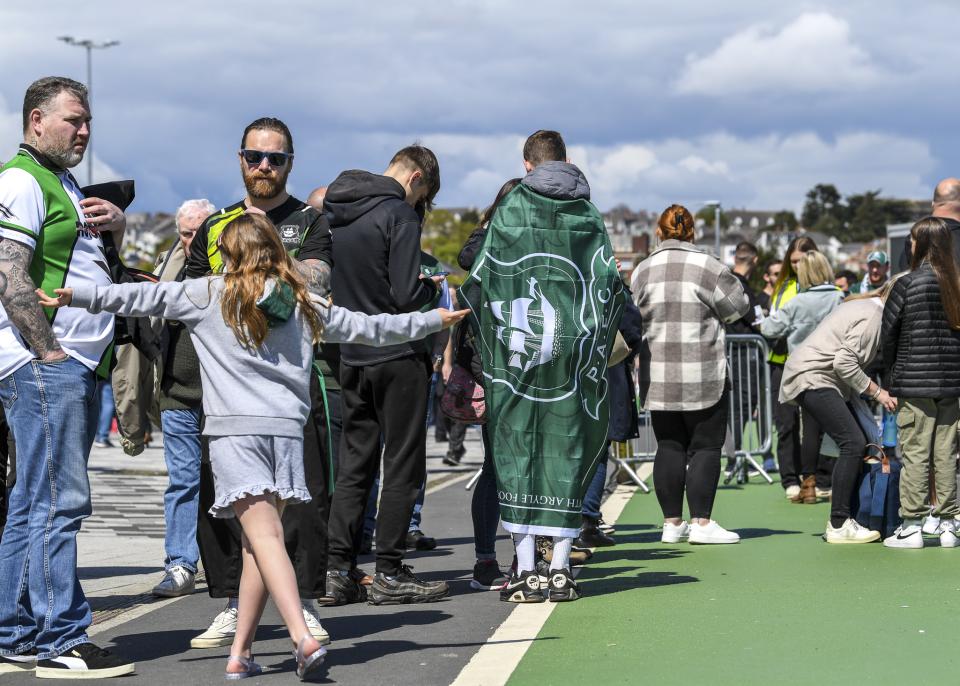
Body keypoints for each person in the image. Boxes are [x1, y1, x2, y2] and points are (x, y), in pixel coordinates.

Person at [39, 212, 468, 680]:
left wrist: (75, 294)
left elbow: (138, 296)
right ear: (276, 252)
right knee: (254, 547)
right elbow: (370, 328)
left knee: (263, 539)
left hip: (234, 436)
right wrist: (432, 320)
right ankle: (240, 654)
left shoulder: (205, 294)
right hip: (286, 434)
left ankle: (301, 640)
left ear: (226, 254)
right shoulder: (304, 301)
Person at [0, 76, 134, 678]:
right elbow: (9, 273)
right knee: (59, 502)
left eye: (88, 123)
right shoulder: (22, 179)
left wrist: (117, 231)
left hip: (67, 364)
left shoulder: (61, 181)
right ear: (35, 121)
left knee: (32, 502)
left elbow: (84, 265)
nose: (83, 132)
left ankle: (16, 630)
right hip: (45, 365)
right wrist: (49, 349)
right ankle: (60, 639)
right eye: (72, 121)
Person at [184, 117, 335, 648]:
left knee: (299, 500)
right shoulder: (214, 225)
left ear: (290, 163)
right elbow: (193, 292)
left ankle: (306, 602)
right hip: (225, 386)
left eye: (275, 158)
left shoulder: (310, 220)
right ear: (240, 160)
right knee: (229, 500)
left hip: (289, 386)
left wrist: (257, 254)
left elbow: (317, 279)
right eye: (254, 156)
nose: (264, 166)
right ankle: (232, 605)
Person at [460, 130, 623, 603]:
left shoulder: (512, 209)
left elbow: (483, 275)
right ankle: (560, 568)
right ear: (567, 161)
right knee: (567, 455)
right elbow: (607, 283)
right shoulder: (587, 214)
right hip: (574, 356)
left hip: (519, 353)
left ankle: (526, 571)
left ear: (527, 164)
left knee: (517, 455)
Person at [323, 145, 448, 606]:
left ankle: (338, 569)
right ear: (416, 178)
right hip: (397, 351)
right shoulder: (399, 214)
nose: (420, 205)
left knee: (354, 465)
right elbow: (402, 291)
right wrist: (428, 288)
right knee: (401, 464)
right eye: (423, 195)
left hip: (351, 350)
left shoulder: (337, 208)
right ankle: (390, 570)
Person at [632, 205, 749, 545]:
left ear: (659, 231)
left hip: (658, 371)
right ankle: (702, 522)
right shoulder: (710, 266)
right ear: (692, 231)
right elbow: (737, 308)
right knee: (706, 447)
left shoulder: (642, 270)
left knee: (668, 446)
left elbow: (632, 313)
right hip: (703, 371)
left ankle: (671, 524)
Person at [778, 281, 897, 543]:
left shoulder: (868, 308)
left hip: (813, 375)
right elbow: (844, 362)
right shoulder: (874, 318)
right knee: (853, 443)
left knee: (856, 441)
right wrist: (879, 393)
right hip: (814, 377)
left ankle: (847, 517)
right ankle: (839, 523)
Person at [149, 198, 216, 598]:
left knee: (225, 482)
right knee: (182, 481)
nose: (193, 240)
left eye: (201, 231)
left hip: (221, 398)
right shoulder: (165, 267)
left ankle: (230, 560)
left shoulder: (231, 265)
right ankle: (180, 564)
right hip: (176, 394)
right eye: (187, 232)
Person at [881, 217, 960, 548]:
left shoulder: (906, 284)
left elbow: (888, 335)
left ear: (923, 244)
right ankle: (949, 525)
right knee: (947, 454)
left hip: (914, 382)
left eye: (912, 240)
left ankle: (912, 524)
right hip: (951, 383)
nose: (909, 246)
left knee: (915, 453)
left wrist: (889, 377)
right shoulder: (955, 284)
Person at [457, 177, 519, 591]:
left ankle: (530, 557)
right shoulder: (486, 244)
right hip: (495, 368)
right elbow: (469, 261)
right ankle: (485, 558)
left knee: (520, 467)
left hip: (524, 366)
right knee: (497, 468)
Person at [761, 251, 844, 503]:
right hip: (833, 369)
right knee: (831, 428)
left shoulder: (798, 302)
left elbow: (769, 328)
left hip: (804, 369)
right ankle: (826, 479)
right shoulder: (839, 298)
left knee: (808, 429)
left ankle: (807, 483)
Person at [766, 236, 818, 500]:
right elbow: (773, 320)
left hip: (812, 364)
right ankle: (790, 478)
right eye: (793, 261)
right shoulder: (783, 287)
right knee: (785, 424)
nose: (797, 265)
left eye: (802, 260)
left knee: (815, 424)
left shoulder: (821, 288)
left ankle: (815, 476)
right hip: (781, 363)